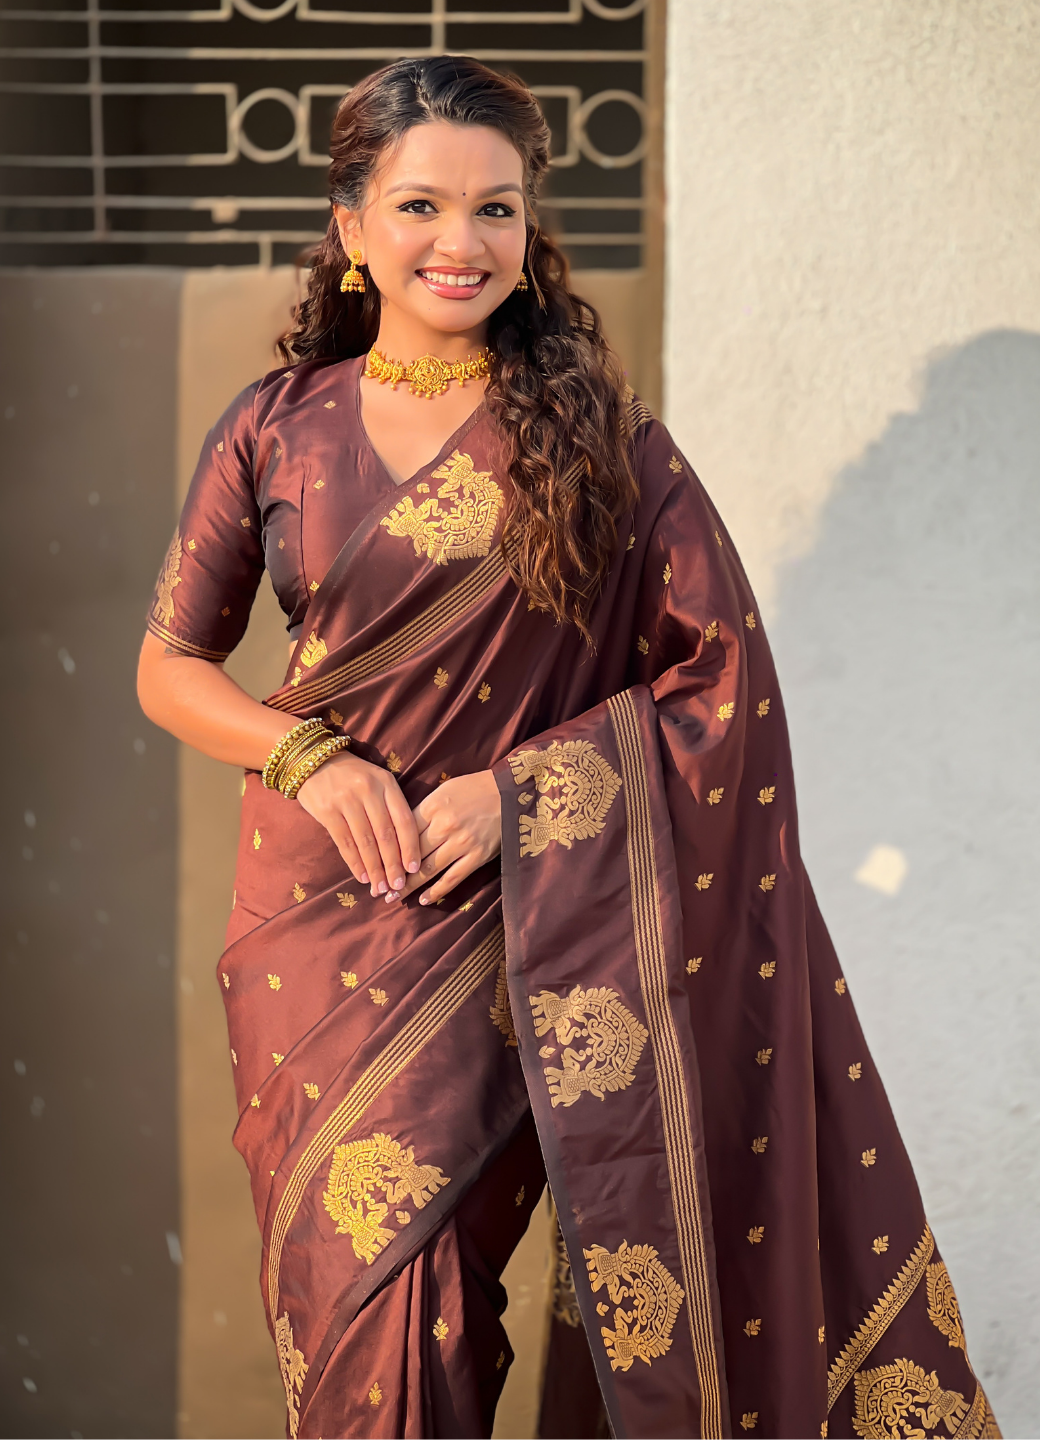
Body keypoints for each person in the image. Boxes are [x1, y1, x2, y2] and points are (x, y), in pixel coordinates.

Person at [136, 55, 997, 1440]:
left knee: (454, 1295)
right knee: (356, 1309)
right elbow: (169, 666)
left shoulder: (606, 444)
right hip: (316, 925)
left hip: (524, 922)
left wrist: (523, 797)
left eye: (496, 208)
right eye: (421, 206)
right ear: (352, 225)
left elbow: (725, 687)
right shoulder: (273, 428)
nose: (462, 241)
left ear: (530, 227)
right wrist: (310, 760)